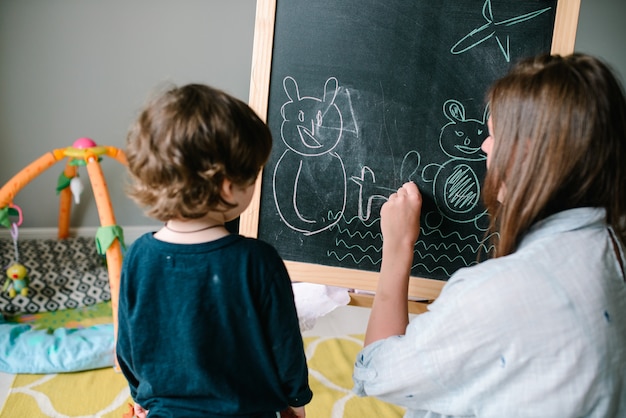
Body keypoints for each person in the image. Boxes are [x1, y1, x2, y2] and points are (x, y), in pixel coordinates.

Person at [353, 53, 626, 417]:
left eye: (495, 135)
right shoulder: (613, 248)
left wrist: (398, 246)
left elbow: (376, 372)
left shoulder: (497, 292)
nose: (484, 146)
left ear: (528, 155)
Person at [117, 83, 312, 418]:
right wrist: (295, 402)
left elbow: (129, 345)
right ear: (227, 187)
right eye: (253, 175)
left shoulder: (137, 256)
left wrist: (141, 396)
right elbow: (285, 349)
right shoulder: (259, 261)